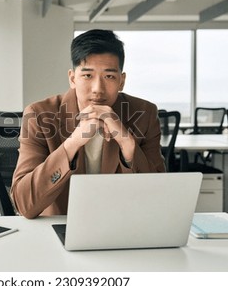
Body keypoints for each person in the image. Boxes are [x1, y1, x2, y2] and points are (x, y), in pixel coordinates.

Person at [10, 29, 165, 219]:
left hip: (123, 226)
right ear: (72, 78)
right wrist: (72, 143)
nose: (98, 89)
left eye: (109, 76)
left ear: (121, 81)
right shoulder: (39, 115)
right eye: (87, 76)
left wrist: (127, 143)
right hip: (61, 227)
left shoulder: (144, 113)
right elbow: (24, 204)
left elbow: (159, 198)